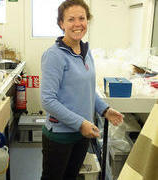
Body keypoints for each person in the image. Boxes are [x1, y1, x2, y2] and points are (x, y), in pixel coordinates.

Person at [40, 0, 123, 179]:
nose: (77, 24)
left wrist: (104, 109)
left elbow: (86, 89)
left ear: (87, 21)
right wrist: (81, 123)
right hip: (60, 136)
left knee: (71, 176)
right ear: (61, 24)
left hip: (82, 134)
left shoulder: (85, 51)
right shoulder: (54, 55)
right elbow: (48, 100)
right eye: (71, 19)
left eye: (82, 18)